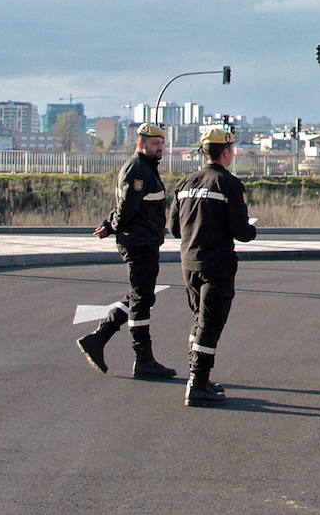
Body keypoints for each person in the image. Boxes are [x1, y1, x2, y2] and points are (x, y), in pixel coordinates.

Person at [75, 122, 178, 380]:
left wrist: (109, 225)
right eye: (155, 145)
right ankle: (143, 360)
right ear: (141, 144)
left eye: (162, 144)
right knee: (141, 300)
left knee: (140, 296)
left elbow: (124, 206)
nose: (160, 149)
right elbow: (126, 209)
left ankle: (99, 338)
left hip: (145, 240)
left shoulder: (145, 168)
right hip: (138, 242)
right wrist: (110, 226)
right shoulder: (138, 170)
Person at [168, 125, 257, 407]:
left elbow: (173, 228)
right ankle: (197, 384)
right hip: (216, 264)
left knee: (199, 319)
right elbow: (241, 231)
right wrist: (252, 230)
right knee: (210, 323)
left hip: (189, 262)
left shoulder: (184, 184)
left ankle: (200, 378)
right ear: (227, 152)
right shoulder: (229, 185)